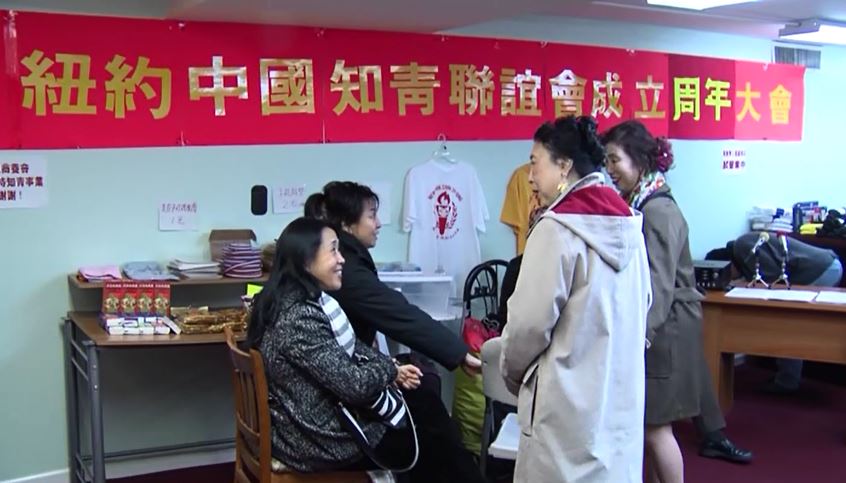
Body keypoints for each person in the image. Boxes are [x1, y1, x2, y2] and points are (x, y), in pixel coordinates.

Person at [500, 115, 653, 483]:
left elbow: (528, 326)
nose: (530, 176)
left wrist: (512, 372)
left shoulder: (556, 229)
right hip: (619, 392)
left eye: (536, 162)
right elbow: (645, 302)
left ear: (564, 166)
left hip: (565, 400)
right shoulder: (630, 224)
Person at [305, 182, 486, 483]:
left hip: (341, 381)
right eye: (371, 215)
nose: (378, 224)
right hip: (336, 400)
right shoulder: (347, 271)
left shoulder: (345, 263)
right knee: (425, 407)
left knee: (423, 388)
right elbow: (398, 313)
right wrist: (457, 353)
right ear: (347, 224)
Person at [602, 120, 753, 480]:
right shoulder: (643, 202)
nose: (609, 170)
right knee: (651, 426)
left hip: (665, 328)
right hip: (664, 325)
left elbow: (659, 284)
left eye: (615, 160)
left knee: (656, 428)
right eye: (607, 161)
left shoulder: (658, 211)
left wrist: (640, 335)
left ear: (640, 161)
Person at [246, 217, 422, 475]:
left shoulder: (285, 299)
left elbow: (350, 348)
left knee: (421, 404)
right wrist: (391, 370)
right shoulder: (299, 318)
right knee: (422, 422)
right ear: (306, 260)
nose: (342, 260)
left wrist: (390, 367)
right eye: (333, 250)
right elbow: (356, 387)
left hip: (302, 427)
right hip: (318, 441)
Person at [708, 232, 843, 392]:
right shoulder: (743, 250)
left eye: (726, 275)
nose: (729, 279)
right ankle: (787, 378)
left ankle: (787, 381)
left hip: (823, 269)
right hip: (822, 267)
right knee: (787, 322)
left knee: (786, 323)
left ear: (727, 264)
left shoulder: (743, 246)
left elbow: (773, 282)